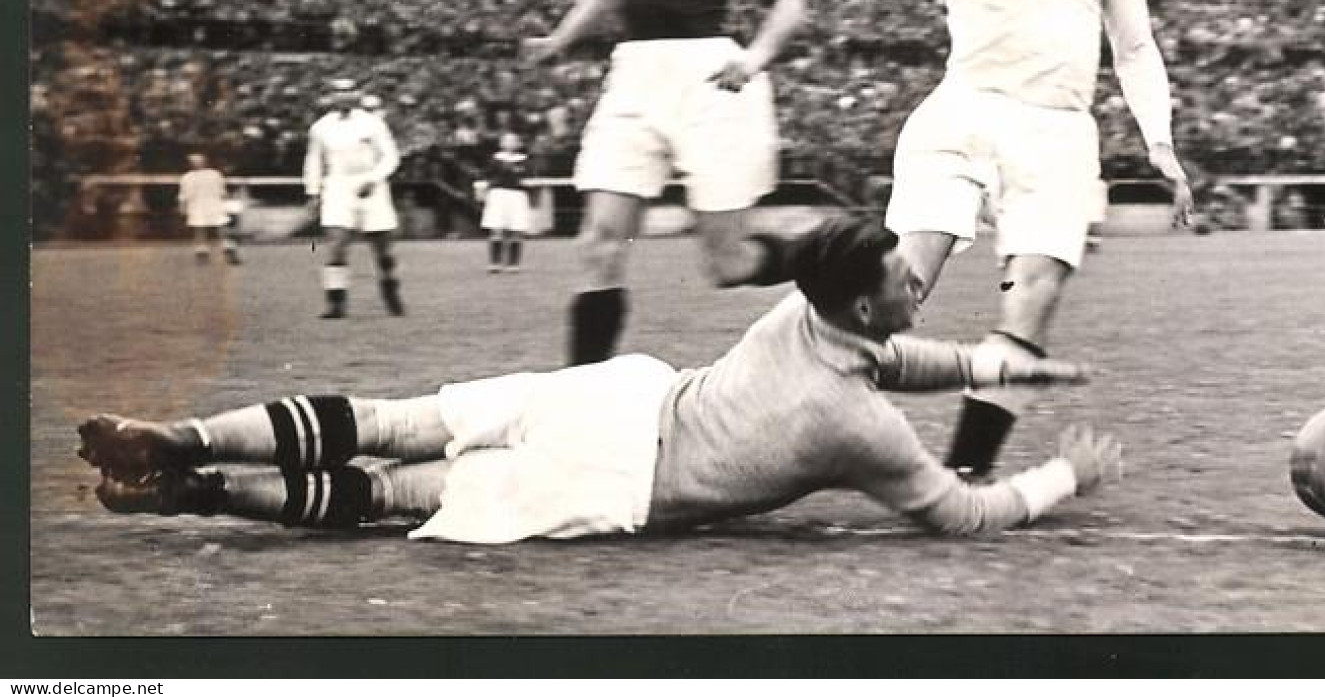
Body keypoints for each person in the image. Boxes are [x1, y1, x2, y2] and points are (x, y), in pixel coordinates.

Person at [77, 215, 1121, 542]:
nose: (916, 289)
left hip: (615, 395)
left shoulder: (798, 312)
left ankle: (190, 439)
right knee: (397, 495)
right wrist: (1062, 477)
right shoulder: (858, 424)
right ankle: (195, 491)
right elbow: (958, 516)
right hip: (621, 477)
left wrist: (1007, 363)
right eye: (906, 280)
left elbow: (904, 354)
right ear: (861, 305)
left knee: (389, 422)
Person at [719, 0, 1194, 479]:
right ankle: (749, 413)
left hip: (1060, 130)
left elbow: (1133, 45)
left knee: (1035, 290)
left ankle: (966, 474)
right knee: (893, 290)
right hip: (964, 113)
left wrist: (1159, 137)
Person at [525, 0, 810, 364]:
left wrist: (752, 61)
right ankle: (584, 394)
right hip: (633, 76)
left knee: (724, 265)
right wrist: (559, 39)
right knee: (599, 242)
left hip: (710, 77)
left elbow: (789, 5)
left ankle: (822, 257)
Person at [302, 78, 405, 319]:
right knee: (336, 246)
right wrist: (313, 192)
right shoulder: (320, 128)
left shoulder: (373, 123)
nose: (345, 95)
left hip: (372, 186)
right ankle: (336, 303)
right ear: (331, 96)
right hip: (338, 186)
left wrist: (374, 178)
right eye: (339, 91)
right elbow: (314, 162)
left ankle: (391, 293)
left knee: (384, 251)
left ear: (358, 94)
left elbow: (391, 157)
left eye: (350, 90)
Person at [475, 131, 533, 273]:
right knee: (496, 228)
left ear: (519, 143)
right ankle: (495, 263)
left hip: (518, 196)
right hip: (498, 195)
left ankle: (513, 264)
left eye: (514, 140)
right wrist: (481, 191)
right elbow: (485, 177)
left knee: (516, 229)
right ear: (501, 143)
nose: (510, 143)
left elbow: (529, 178)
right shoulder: (494, 160)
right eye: (507, 140)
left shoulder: (525, 160)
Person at [177, 152, 239, 265]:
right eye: (194, 162)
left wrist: (227, 205)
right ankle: (202, 252)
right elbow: (183, 195)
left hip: (214, 205)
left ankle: (228, 249)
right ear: (190, 164)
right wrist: (182, 207)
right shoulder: (187, 177)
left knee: (222, 229)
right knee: (199, 230)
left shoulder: (214, 174)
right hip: (197, 206)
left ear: (204, 162)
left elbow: (222, 191)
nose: (197, 164)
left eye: (199, 161)